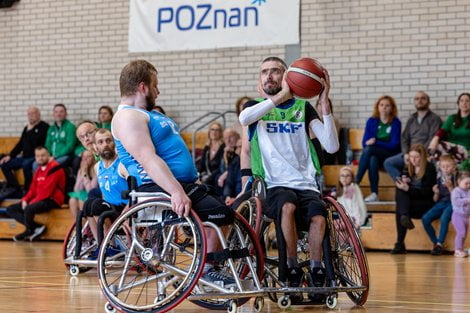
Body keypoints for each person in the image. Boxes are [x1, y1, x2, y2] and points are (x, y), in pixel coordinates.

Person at [111, 60, 235, 285]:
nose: (158, 91)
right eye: (155, 85)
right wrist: (177, 192)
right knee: (221, 213)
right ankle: (207, 270)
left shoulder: (142, 114)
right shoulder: (128, 117)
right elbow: (148, 159)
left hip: (181, 184)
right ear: (142, 87)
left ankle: (208, 265)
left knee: (224, 211)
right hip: (161, 188)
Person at [238, 56, 339, 299]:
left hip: (306, 183)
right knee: (287, 205)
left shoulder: (303, 108)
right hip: (273, 185)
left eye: (275, 71)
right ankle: (291, 267)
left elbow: (332, 146)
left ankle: (316, 269)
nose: (269, 76)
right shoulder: (255, 108)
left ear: (288, 77)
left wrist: (323, 103)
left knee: (318, 215)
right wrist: (280, 97)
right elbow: (244, 119)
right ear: (259, 80)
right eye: (264, 72)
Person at [82, 129, 129, 258]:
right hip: (109, 208)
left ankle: (112, 247)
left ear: (114, 143)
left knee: (97, 206)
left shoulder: (122, 165)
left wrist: (127, 214)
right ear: (96, 147)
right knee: (88, 205)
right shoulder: (98, 167)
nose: (105, 144)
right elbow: (104, 195)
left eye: (109, 140)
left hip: (124, 210)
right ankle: (101, 245)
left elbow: (136, 192)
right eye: (101, 142)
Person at [6, 146, 66, 241]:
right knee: (10, 209)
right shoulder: (38, 170)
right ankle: (34, 227)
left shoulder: (55, 168)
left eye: (43, 155)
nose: (40, 158)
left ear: (48, 155)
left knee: (29, 208)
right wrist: (25, 200)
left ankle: (30, 230)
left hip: (52, 199)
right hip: (39, 199)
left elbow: (47, 191)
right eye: (38, 156)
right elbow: (32, 189)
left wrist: (30, 203)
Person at [383, 91, 442, 181]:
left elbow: (432, 139)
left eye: (423, 98)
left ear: (428, 102)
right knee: (388, 163)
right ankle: (403, 183)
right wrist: (406, 153)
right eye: (417, 99)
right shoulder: (411, 119)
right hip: (409, 154)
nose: (420, 101)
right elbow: (404, 138)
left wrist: (418, 154)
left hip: (425, 154)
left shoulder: (435, 119)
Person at [390, 144, 436, 254]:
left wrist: (409, 189)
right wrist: (403, 182)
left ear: (422, 157)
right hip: (410, 204)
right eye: (411, 157)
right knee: (400, 191)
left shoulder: (429, 168)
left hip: (425, 204)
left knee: (401, 210)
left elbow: (428, 193)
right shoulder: (407, 168)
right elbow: (403, 185)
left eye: (416, 157)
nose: (413, 160)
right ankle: (404, 217)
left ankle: (400, 244)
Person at [356, 95, 401, 202]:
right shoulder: (371, 121)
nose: (384, 107)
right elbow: (364, 143)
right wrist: (369, 143)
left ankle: (356, 182)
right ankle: (374, 193)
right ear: (378, 107)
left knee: (369, 150)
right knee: (372, 159)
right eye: (382, 105)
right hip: (376, 155)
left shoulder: (396, 122)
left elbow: (394, 145)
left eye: (387, 105)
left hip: (390, 155)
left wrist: (376, 142)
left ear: (392, 108)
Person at [0, 106, 49, 195]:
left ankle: (27, 190)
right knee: (4, 164)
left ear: (38, 114)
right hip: (24, 156)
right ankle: (15, 187)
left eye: (33, 113)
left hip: (36, 157)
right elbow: (20, 144)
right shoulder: (27, 128)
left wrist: (31, 129)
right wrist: (10, 155)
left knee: (26, 165)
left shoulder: (44, 127)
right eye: (29, 114)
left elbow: (36, 142)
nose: (31, 116)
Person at [421, 155, 456, 255]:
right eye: (443, 166)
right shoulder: (439, 179)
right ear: (440, 168)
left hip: (452, 203)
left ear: (453, 168)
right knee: (425, 218)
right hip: (441, 203)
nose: (445, 169)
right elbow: (435, 200)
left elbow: (457, 198)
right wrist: (436, 192)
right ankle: (436, 243)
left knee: (444, 218)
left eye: (448, 166)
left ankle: (440, 243)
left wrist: (450, 187)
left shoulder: (456, 179)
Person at [428, 93, 470, 162]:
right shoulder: (452, 118)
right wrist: (434, 140)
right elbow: (441, 132)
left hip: (467, 151)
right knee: (437, 146)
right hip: (452, 150)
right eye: (461, 101)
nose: (464, 103)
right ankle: (436, 168)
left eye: (467, 101)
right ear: (458, 104)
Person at [43, 103, 77, 168]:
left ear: (66, 114)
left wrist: (55, 156)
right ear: (53, 114)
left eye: (61, 111)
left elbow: (70, 146)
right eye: (56, 112)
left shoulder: (70, 127)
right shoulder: (51, 128)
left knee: (52, 165)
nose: (58, 114)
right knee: (35, 165)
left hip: (66, 156)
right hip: (51, 156)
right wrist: (47, 156)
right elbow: (47, 145)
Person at [68, 150, 97, 218]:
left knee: (82, 200)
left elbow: (91, 190)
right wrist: (82, 172)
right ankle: (78, 224)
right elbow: (77, 189)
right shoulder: (81, 170)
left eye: (88, 157)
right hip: (84, 193)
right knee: (72, 200)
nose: (85, 159)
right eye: (83, 157)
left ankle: (87, 223)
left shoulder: (96, 169)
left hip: (94, 195)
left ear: (93, 158)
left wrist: (85, 175)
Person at [196, 121, 225, 187]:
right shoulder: (207, 147)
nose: (214, 132)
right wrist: (197, 173)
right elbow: (202, 163)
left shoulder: (223, 147)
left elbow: (221, 167)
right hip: (207, 175)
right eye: (212, 129)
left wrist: (208, 178)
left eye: (217, 130)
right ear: (209, 132)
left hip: (217, 175)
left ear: (220, 133)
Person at [451, 171, 470, 258]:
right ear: (459, 181)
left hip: (466, 216)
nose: (468, 185)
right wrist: (467, 200)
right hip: (458, 216)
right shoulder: (456, 191)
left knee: (464, 234)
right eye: (466, 183)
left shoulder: (468, 191)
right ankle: (457, 250)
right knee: (461, 232)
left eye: (469, 183)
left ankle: (461, 249)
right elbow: (456, 201)